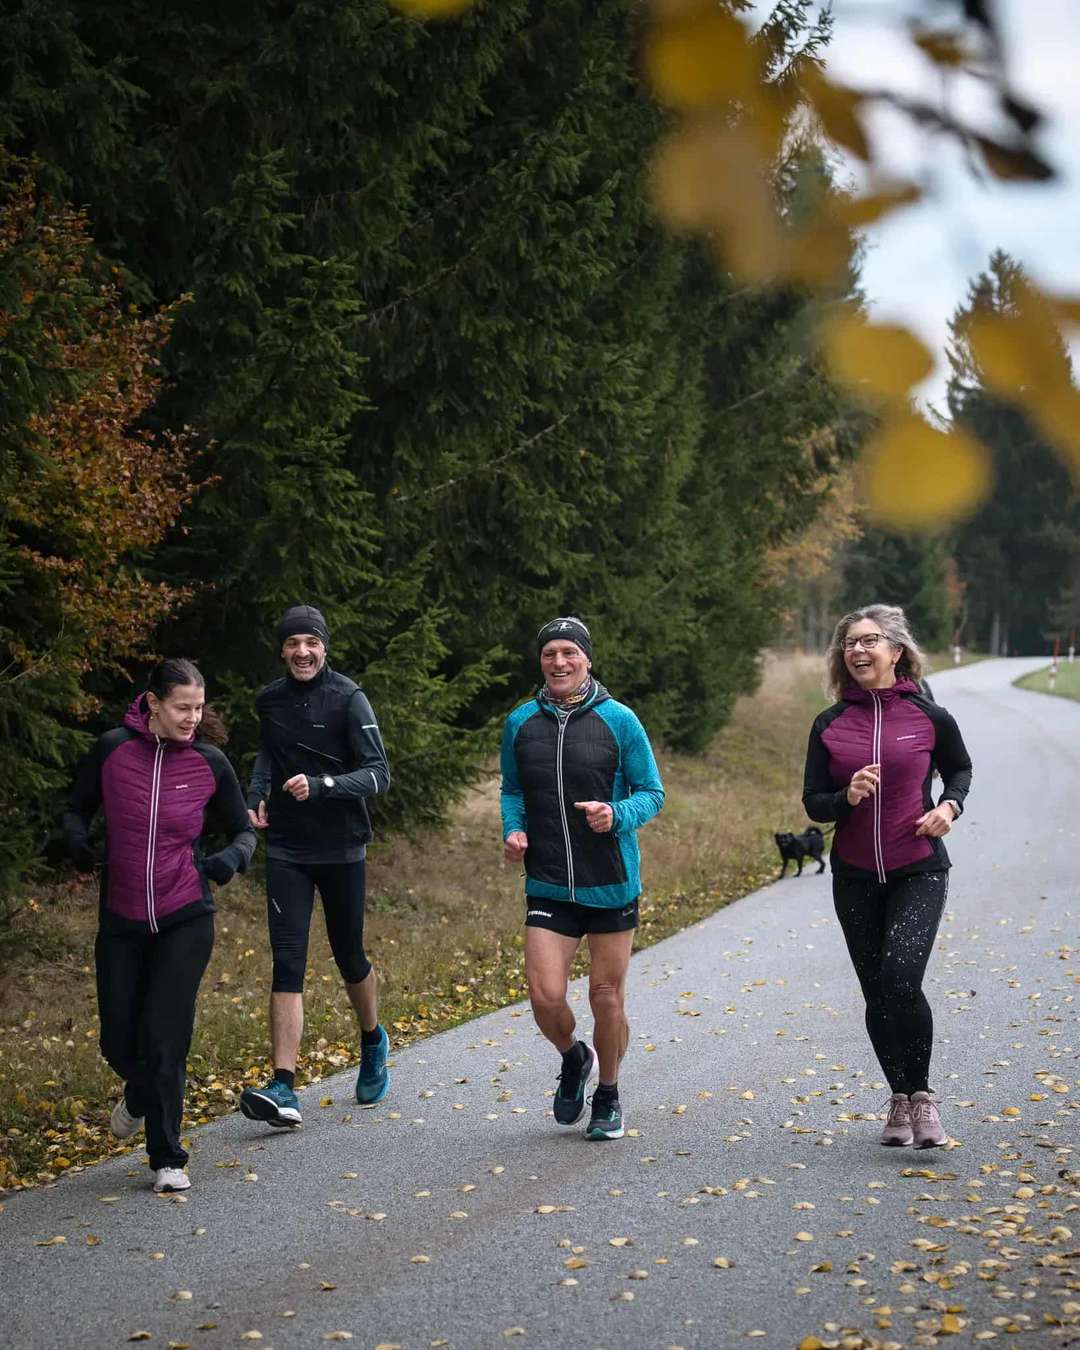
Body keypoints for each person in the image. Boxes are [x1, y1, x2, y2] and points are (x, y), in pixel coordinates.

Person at [63, 659, 255, 1193]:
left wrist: (230, 860)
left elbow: (244, 831)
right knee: (118, 1043)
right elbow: (74, 809)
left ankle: (168, 1157)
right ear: (153, 704)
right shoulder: (112, 750)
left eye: (199, 707)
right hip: (121, 919)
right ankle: (139, 1094)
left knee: (164, 1038)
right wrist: (77, 841)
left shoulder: (210, 764)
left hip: (185, 916)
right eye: (182, 707)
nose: (193, 717)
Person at [802, 604, 972, 1149]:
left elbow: (960, 768)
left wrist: (950, 807)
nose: (857, 650)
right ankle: (897, 1098)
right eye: (849, 643)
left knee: (901, 978)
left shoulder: (929, 716)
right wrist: (845, 798)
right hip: (853, 876)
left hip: (917, 869)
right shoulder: (829, 725)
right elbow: (814, 804)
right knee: (877, 991)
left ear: (895, 651)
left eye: (869, 640)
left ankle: (922, 1100)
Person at [500, 617, 665, 1141]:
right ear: (541, 661)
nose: (559, 662)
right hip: (548, 881)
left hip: (610, 881)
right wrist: (514, 829)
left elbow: (652, 793)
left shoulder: (620, 721)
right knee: (546, 997)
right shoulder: (521, 722)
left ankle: (609, 1093)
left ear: (587, 659)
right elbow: (512, 791)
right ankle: (575, 1057)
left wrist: (616, 814)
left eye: (569, 652)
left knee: (606, 995)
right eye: (550, 653)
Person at [239, 605, 391, 1128]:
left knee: (349, 956)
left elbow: (378, 775)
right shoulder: (270, 700)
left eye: (312, 643)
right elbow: (268, 753)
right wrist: (256, 791)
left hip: (342, 847)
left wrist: (324, 785)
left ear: (325, 647)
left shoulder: (349, 698)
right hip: (287, 848)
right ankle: (283, 1085)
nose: (302, 652)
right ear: (281, 650)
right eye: (293, 643)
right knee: (287, 961)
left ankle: (372, 1039)